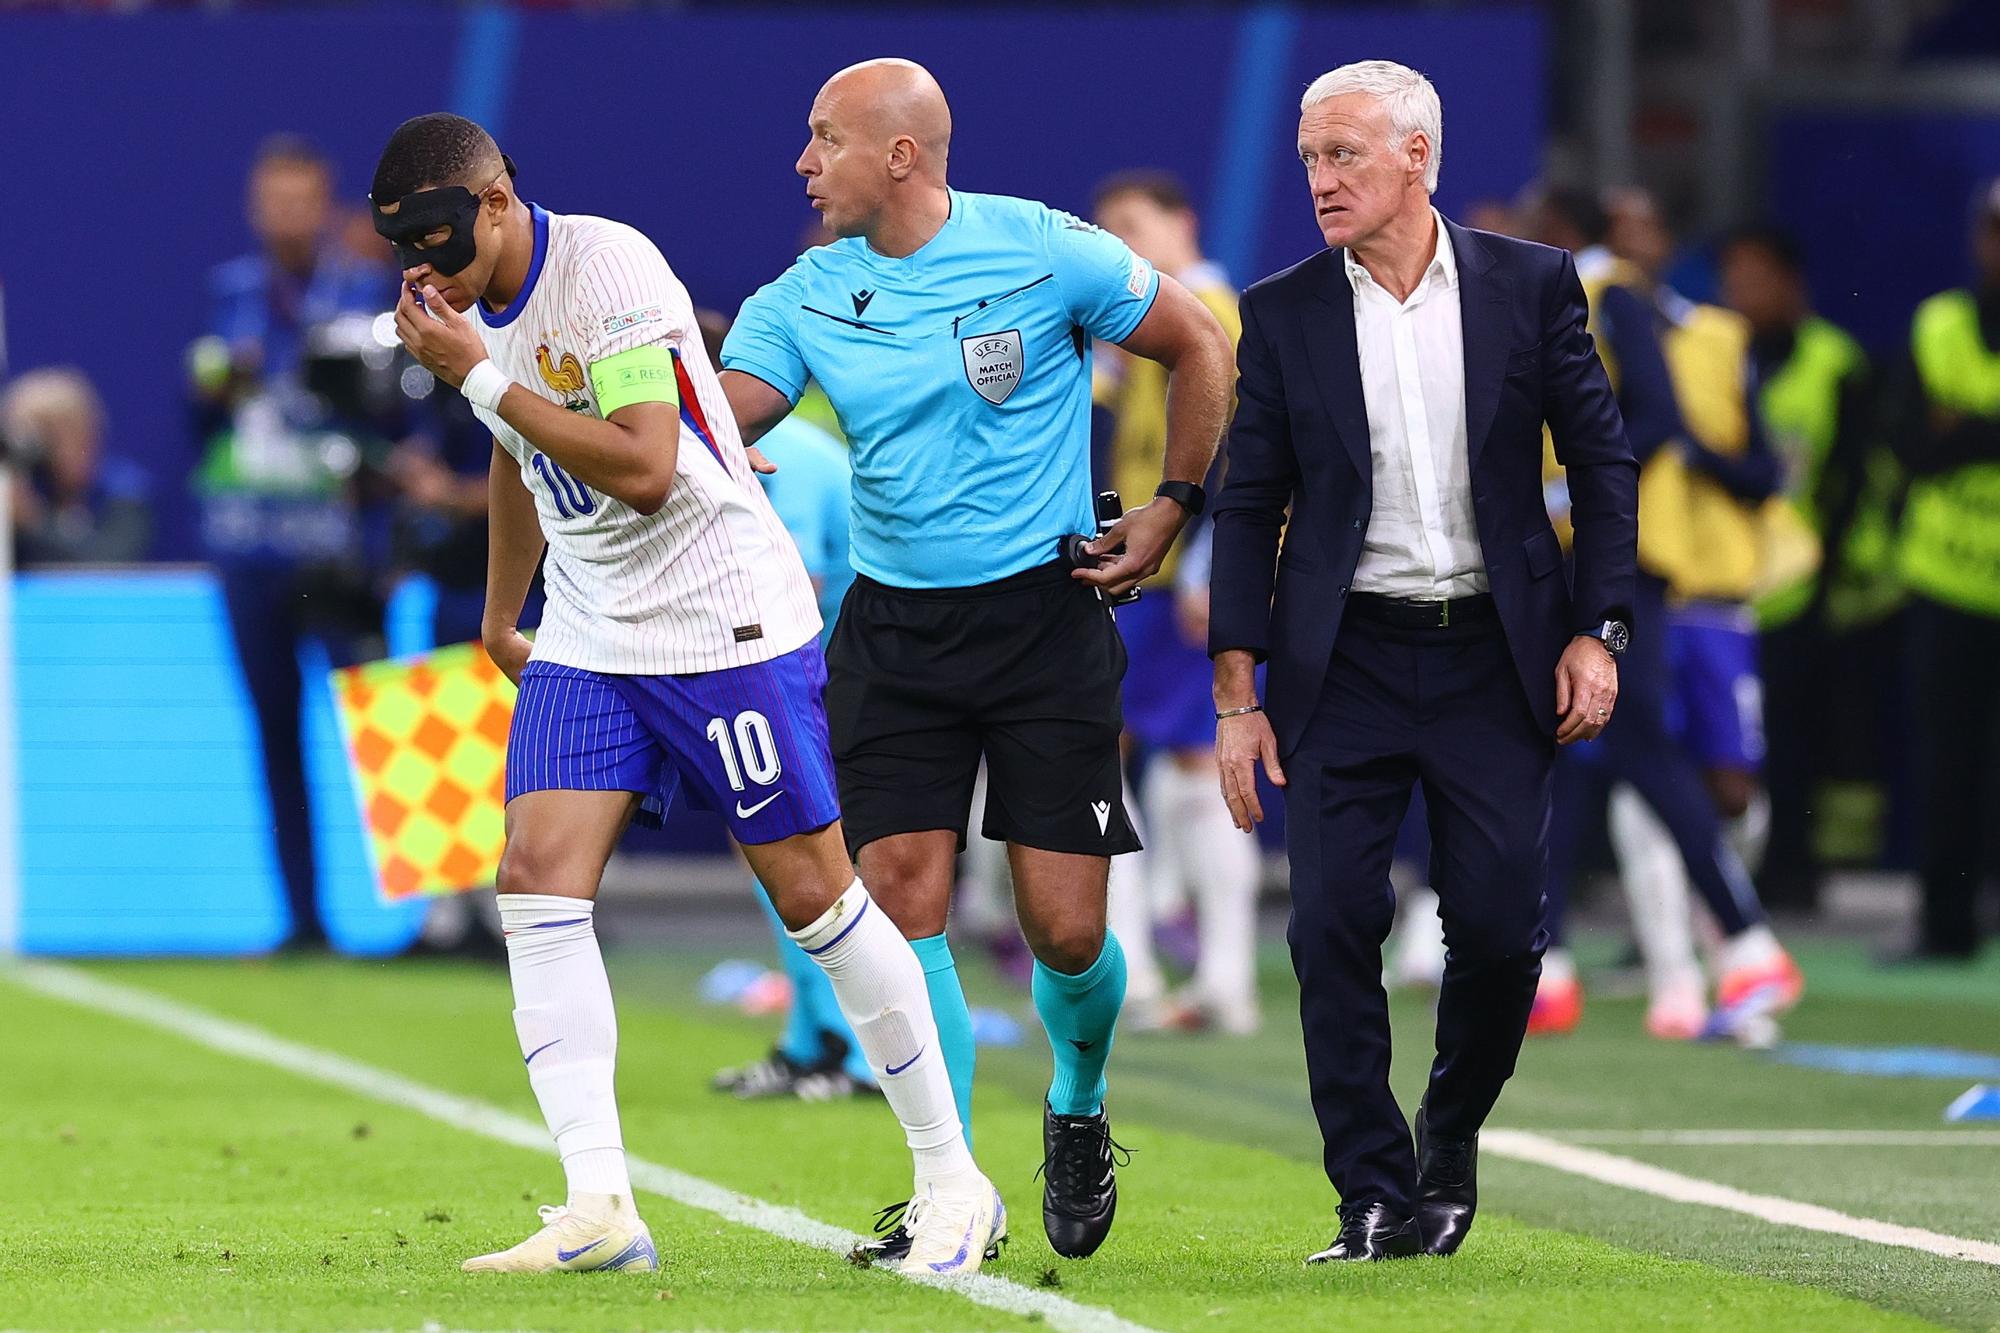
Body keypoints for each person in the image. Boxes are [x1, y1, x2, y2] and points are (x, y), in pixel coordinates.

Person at [372, 111, 998, 1275]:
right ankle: (598, 1205)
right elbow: (515, 454)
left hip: (723, 617)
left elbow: (648, 470)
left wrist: (480, 378)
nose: (431, 272)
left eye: (443, 242)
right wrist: (506, 612)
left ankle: (951, 1178)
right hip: (596, 628)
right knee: (534, 879)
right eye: (409, 251)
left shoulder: (607, 269)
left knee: (815, 899)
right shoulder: (479, 318)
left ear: (498, 203)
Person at [720, 59, 1233, 1262]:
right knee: (898, 906)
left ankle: (1077, 1102)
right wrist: (689, 438)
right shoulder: (801, 294)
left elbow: (1200, 345)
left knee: (1062, 932)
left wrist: (1173, 509)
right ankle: (946, 1181)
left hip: (1043, 622)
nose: (802, 164)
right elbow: (725, 403)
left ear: (899, 155)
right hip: (893, 633)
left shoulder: (1044, 250)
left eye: (822, 139)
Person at [1209, 61, 1638, 1262]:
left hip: (1492, 660)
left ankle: (1446, 1141)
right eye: (1306, 158)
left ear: (1417, 157)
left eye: (1341, 154)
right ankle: (1370, 1191)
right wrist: (1235, 691)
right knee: (1327, 925)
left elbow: (1602, 469)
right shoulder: (1284, 308)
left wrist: (1596, 633)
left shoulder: (1531, 284)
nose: (1318, 180)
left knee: (1500, 930)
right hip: (1338, 660)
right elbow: (1249, 506)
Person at [1521, 186, 1800, 1042]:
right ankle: (1550, 958)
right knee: (1560, 749)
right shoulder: (1590, 297)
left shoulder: (1607, 298)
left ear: (1562, 233)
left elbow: (1655, 415)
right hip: (1589, 557)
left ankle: (1745, 936)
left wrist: (1576, 489)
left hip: (1619, 560)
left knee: (1640, 743)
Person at [190, 135, 398, 952]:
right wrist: (213, 385)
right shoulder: (228, 294)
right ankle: (302, 919)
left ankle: (439, 918)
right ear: (254, 206)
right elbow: (199, 418)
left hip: (340, 546)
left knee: (383, 724)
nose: (286, 215)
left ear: (327, 204)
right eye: (273, 200)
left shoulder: (365, 291)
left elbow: (396, 412)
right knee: (276, 729)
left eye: (300, 199)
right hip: (249, 542)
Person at [1091, 170, 1259, 1036]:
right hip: (1142, 576)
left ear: (1181, 219)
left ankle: (1222, 973)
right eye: (1104, 229)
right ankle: (1147, 965)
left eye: (1131, 223)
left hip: (1185, 575)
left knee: (1198, 760)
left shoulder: (1213, 308)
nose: (1117, 242)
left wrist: (1214, 568)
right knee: (1109, 753)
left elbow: (1242, 449)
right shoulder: (1140, 326)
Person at [695, 308, 877, 1102]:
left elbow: (790, 586)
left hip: (838, 672)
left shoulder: (780, 456)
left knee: (830, 866)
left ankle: (862, 1055)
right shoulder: (712, 446)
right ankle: (812, 1041)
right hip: (790, 671)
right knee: (779, 858)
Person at [1719, 224, 1890, 908]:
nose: (1741, 292)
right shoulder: (1720, 355)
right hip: (1736, 580)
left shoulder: (1835, 362)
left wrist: (1828, 572)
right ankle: (1750, 870)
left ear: (1792, 283)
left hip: (1818, 583)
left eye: (1756, 276)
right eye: (1733, 277)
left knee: (1807, 736)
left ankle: (1802, 870)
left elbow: (1852, 477)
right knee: (1743, 736)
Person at [1889, 180, 2000, 963]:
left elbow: (1946, 440)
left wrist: (1965, 427)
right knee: (1947, 766)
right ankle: (1945, 926)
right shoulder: (1941, 324)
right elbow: (1912, 445)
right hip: (1943, 582)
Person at [2, 368, 151, 567]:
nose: (41, 452)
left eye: (52, 433)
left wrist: (33, 521)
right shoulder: (18, 488)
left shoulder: (124, 494)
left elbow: (109, 566)